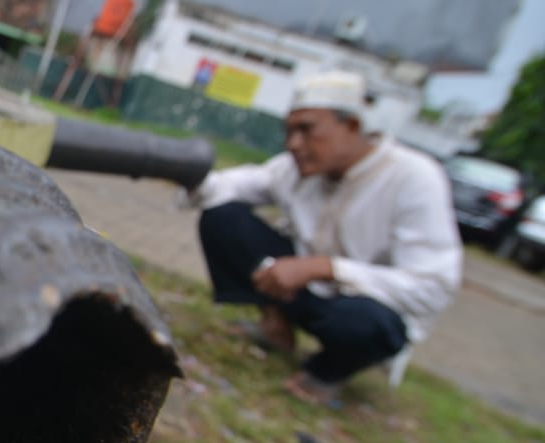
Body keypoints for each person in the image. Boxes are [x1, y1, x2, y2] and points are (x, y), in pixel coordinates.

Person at [187, 71, 463, 405]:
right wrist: (178, 169)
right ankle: (275, 327)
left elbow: (433, 288)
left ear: (352, 126)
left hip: (355, 308)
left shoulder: (414, 177)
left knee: (370, 323)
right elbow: (233, 185)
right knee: (223, 217)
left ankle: (326, 372)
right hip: (296, 291)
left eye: (307, 129)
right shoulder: (296, 167)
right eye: (288, 131)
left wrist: (325, 268)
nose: (293, 144)